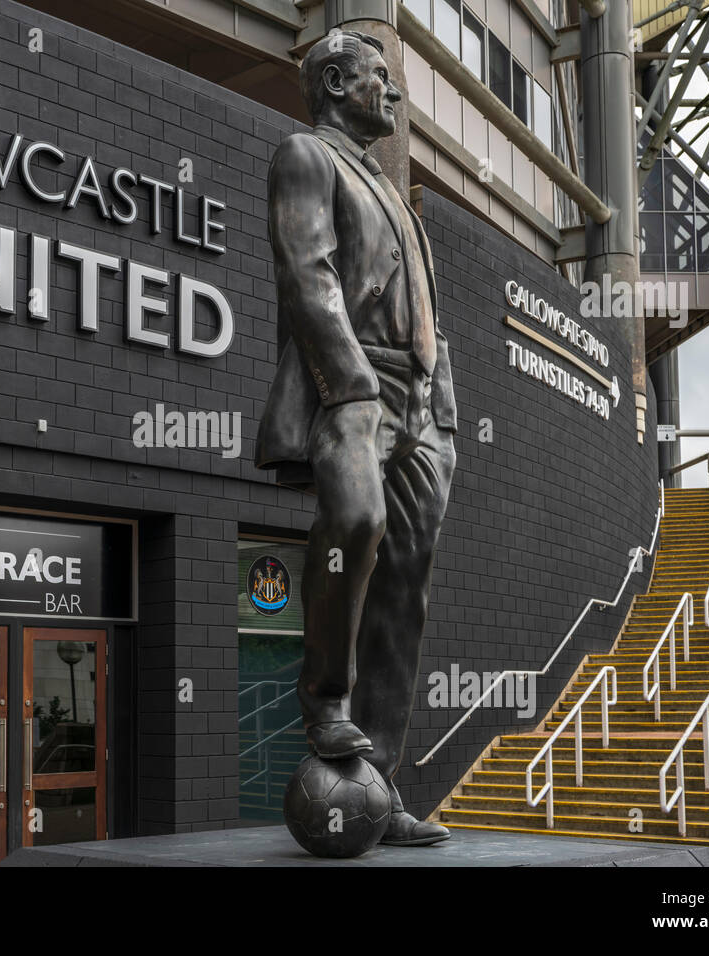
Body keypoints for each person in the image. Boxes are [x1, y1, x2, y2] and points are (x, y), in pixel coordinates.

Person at [255, 29, 458, 847]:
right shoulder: (306, 155)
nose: (395, 93)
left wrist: (441, 413)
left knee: (405, 595)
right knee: (355, 525)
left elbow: (431, 322)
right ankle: (326, 701)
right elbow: (308, 272)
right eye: (381, 78)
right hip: (353, 384)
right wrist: (355, 386)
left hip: (422, 412)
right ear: (336, 82)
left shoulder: (400, 202)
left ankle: (383, 784)